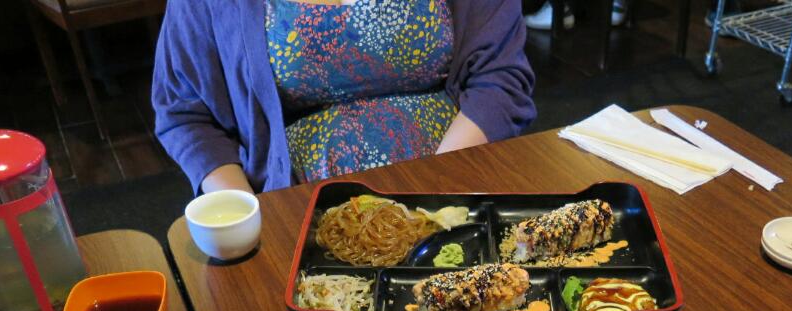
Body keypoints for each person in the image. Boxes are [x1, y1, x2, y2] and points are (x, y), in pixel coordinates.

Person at [152, 0, 536, 195]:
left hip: (455, 188)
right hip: (300, 218)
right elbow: (187, 113)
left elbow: (500, 78)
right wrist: (249, 213)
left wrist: (434, 188)